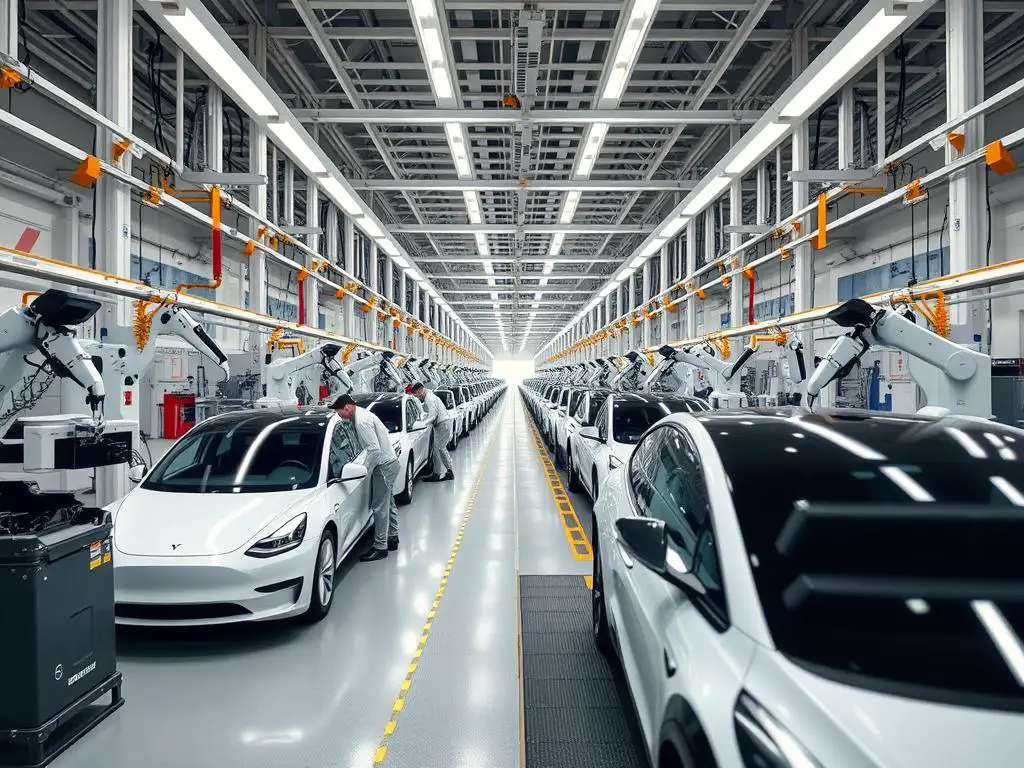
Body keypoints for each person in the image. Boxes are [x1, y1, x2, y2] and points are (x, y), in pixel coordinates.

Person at [332, 394, 400, 561]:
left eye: (340, 413)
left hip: (383, 466)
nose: (341, 417)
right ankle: (393, 536)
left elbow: (374, 450)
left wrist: (365, 470)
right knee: (388, 502)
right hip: (390, 463)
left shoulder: (361, 422)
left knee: (379, 506)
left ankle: (380, 547)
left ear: (347, 407)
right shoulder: (362, 415)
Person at [412, 382, 454, 482]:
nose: (418, 397)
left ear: (420, 390)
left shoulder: (429, 399)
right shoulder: (429, 395)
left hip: (442, 424)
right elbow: (431, 413)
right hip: (442, 423)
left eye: (416, 394)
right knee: (438, 449)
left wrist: (422, 423)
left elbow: (433, 416)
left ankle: (446, 473)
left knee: (440, 449)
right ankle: (439, 473)